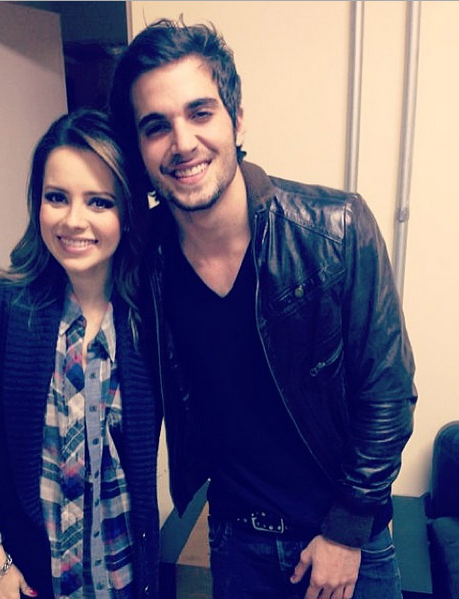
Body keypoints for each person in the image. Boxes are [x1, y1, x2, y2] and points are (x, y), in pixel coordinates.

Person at [110, 18, 417, 599]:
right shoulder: (143, 259)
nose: (182, 142)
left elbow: (389, 393)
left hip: (346, 543)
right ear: (140, 148)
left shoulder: (337, 230)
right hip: (236, 543)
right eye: (156, 126)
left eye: (200, 113)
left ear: (236, 118)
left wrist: (346, 532)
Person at [0, 109, 160, 599]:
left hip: (125, 577)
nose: (73, 220)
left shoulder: (151, 318)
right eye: (56, 197)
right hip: (23, 579)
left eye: (99, 201)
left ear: (126, 212)